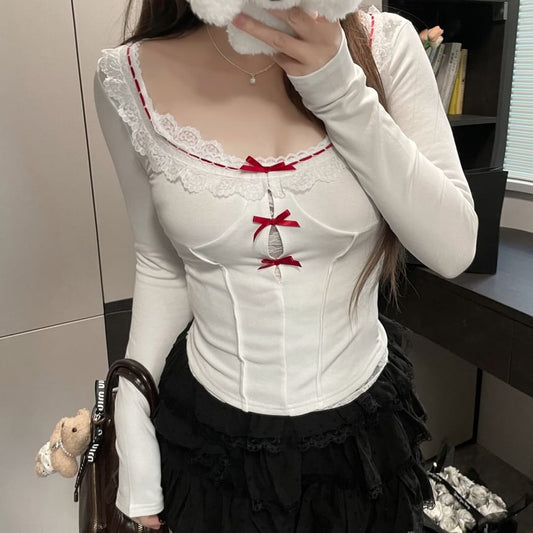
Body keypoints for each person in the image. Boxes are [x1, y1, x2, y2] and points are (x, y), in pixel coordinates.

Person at [93, 1, 478, 531]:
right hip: (208, 443)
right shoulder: (127, 77)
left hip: (362, 443)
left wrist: (340, 90)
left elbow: (454, 248)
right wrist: (132, 426)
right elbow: (160, 265)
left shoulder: (386, 45)